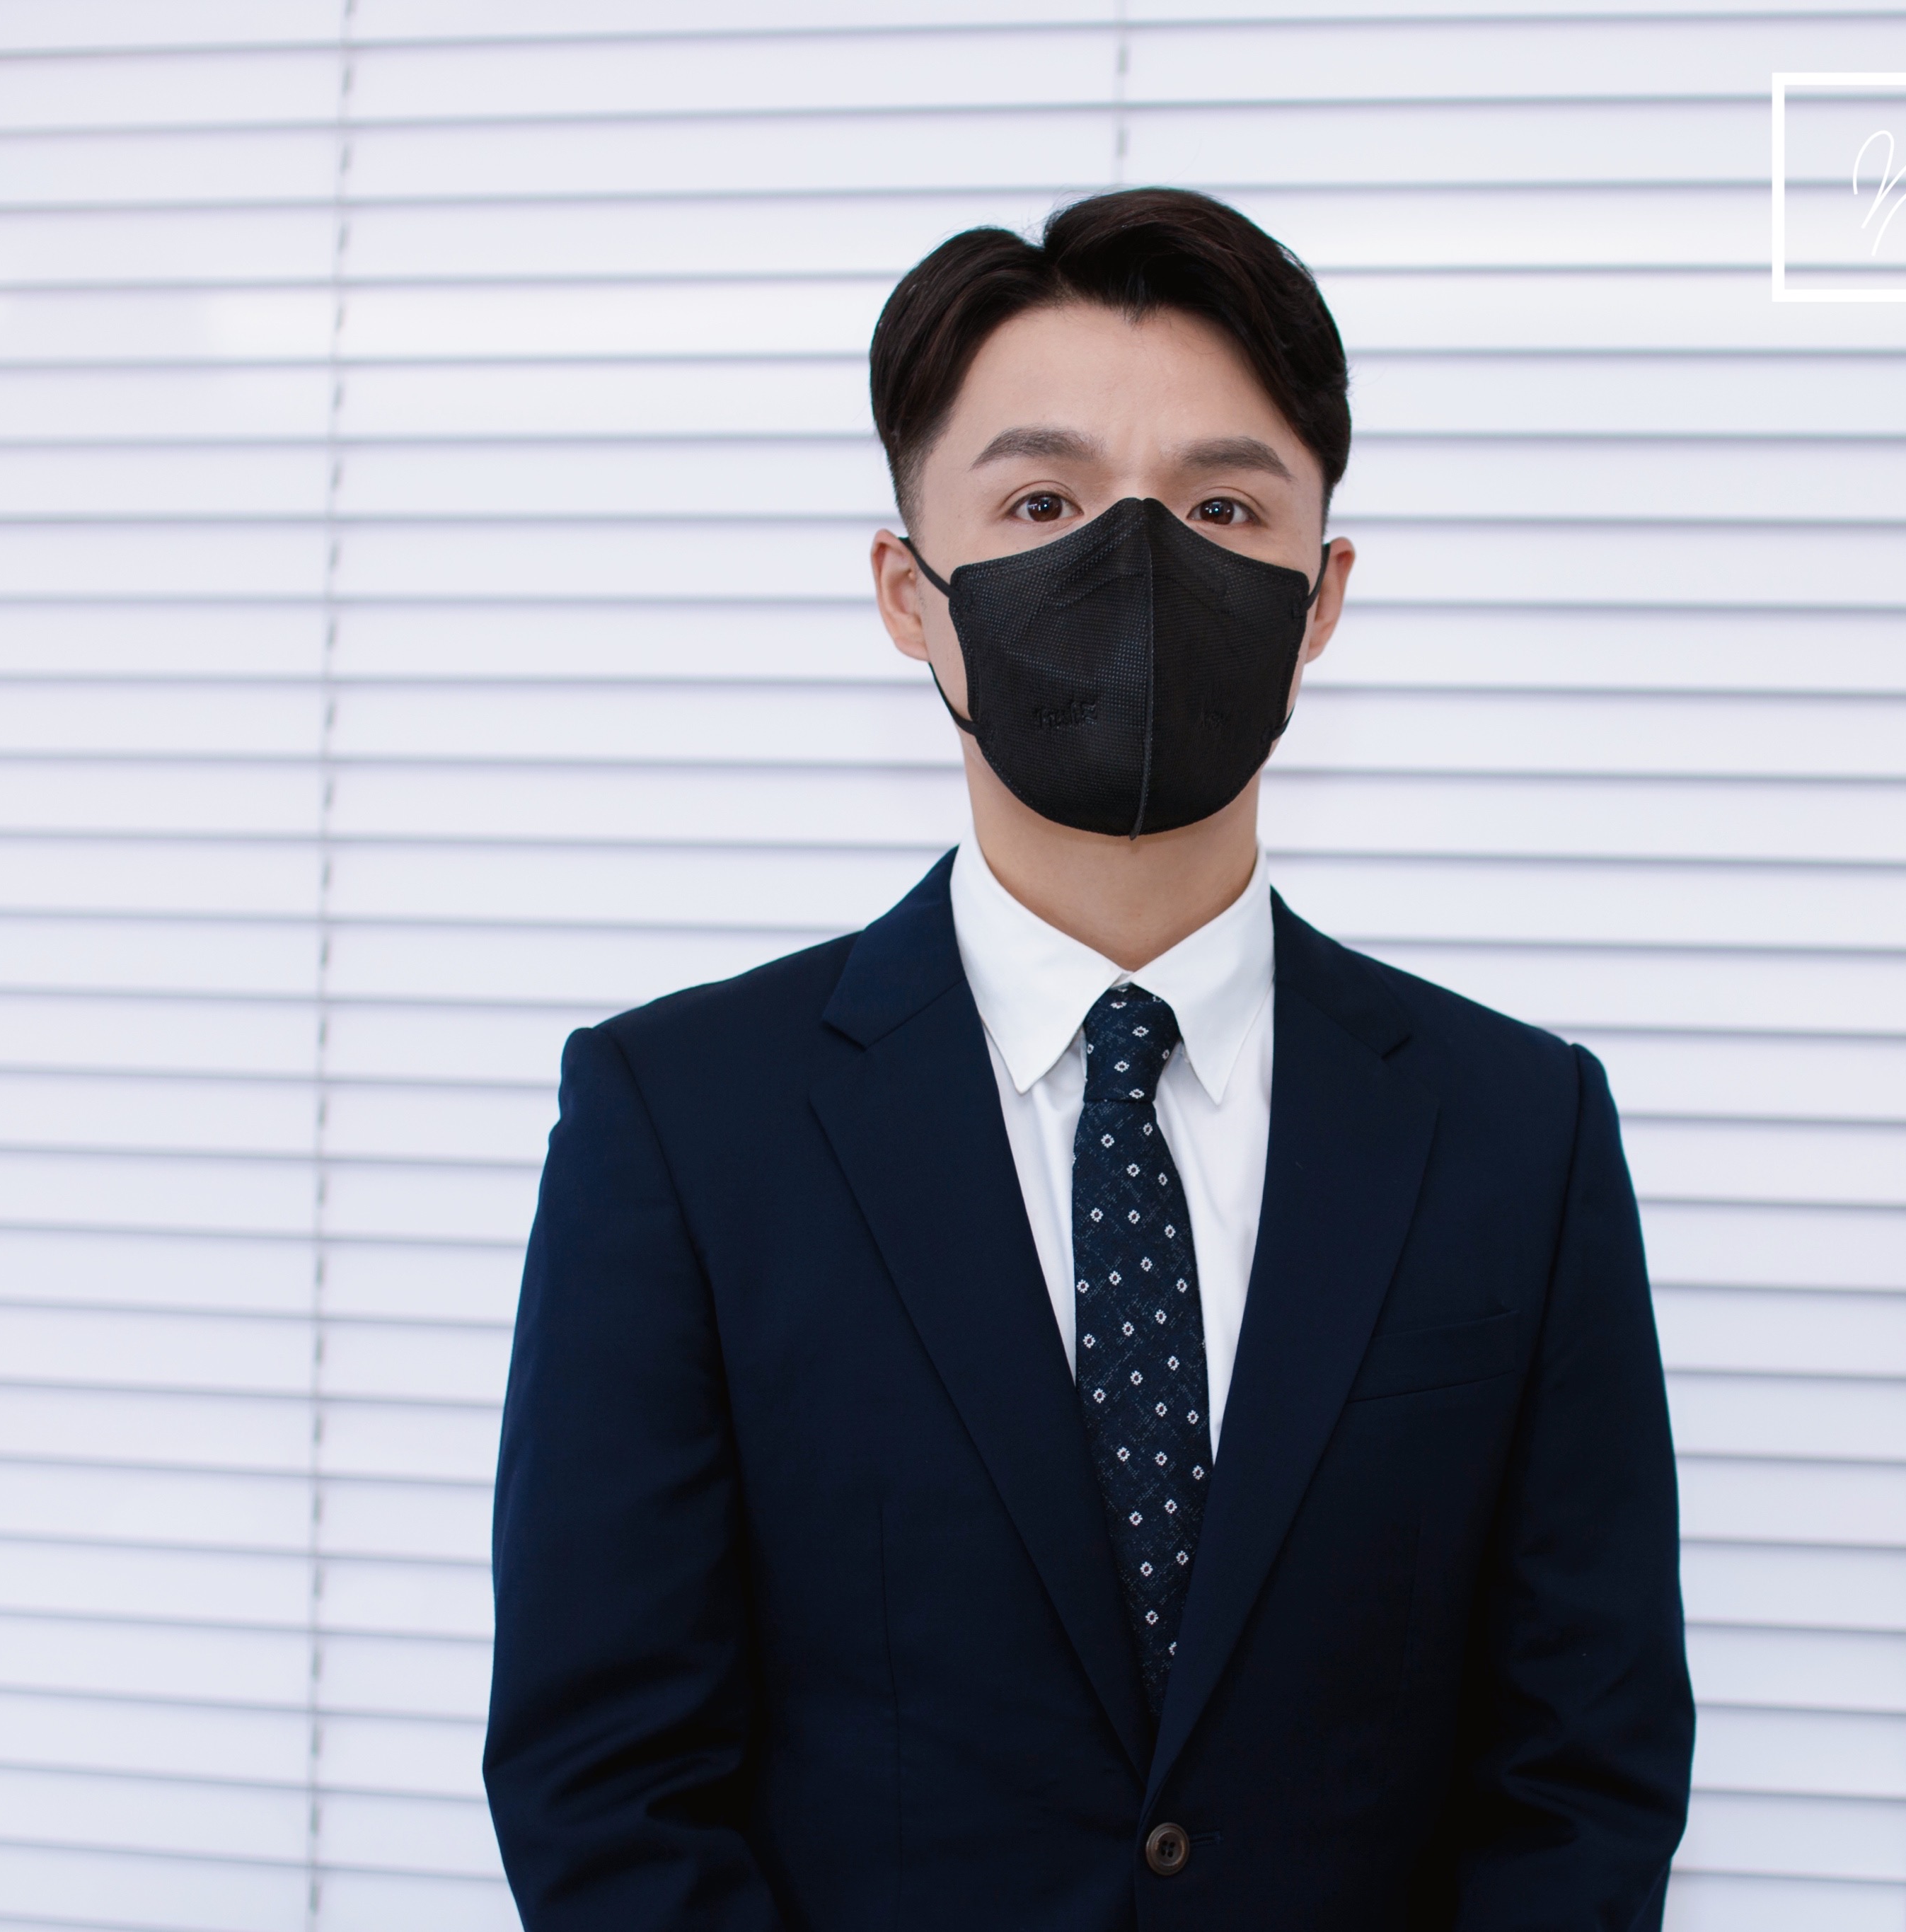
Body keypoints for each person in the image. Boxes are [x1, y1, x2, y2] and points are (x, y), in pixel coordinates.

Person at [484, 187, 1694, 1930]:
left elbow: (1581, 1772)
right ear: (909, 594)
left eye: (1221, 506)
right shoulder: (679, 1125)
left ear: (1320, 598)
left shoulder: (1518, 1128)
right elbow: (606, 1782)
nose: (1136, 561)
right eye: (1042, 503)